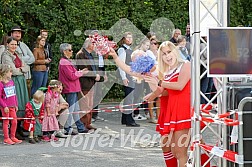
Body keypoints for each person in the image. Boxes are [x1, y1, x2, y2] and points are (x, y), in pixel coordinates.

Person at [143, 41, 191, 167]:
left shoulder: (186, 65)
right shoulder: (168, 71)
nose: (167, 56)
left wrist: (159, 83)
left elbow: (180, 86)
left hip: (183, 110)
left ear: (175, 51)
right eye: (163, 54)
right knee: (170, 148)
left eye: (169, 52)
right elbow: (166, 93)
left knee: (180, 152)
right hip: (172, 109)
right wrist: (153, 90)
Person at [1, 37, 30, 140]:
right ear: (7, 45)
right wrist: (21, 69)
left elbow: (27, 67)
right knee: (13, 103)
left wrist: (21, 69)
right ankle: (13, 130)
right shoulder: (5, 56)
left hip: (21, 80)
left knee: (22, 102)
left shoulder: (17, 54)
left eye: (16, 44)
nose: (14, 46)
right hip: (13, 81)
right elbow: (13, 70)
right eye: (12, 44)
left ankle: (19, 127)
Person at [58, 43, 90, 135]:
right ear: (64, 51)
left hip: (74, 87)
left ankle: (80, 127)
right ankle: (68, 128)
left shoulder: (66, 61)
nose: (72, 52)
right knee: (71, 109)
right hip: (70, 88)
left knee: (76, 109)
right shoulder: (64, 62)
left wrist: (80, 72)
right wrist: (82, 73)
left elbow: (73, 73)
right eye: (70, 50)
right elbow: (72, 76)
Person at [76, 38, 104, 130]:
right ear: (88, 44)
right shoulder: (81, 54)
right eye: (93, 43)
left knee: (90, 104)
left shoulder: (91, 55)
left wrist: (98, 75)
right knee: (84, 104)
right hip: (85, 83)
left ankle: (88, 123)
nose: (95, 45)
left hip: (92, 83)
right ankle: (83, 124)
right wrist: (95, 76)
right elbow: (84, 70)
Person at [117, 32, 139, 127]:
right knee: (129, 98)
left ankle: (125, 119)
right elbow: (120, 65)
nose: (130, 39)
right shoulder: (122, 49)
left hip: (131, 75)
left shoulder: (130, 49)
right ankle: (129, 119)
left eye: (131, 37)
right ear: (124, 39)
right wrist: (124, 77)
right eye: (128, 37)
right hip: (127, 75)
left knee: (130, 97)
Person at [0, 64, 22, 145]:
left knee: (15, 121)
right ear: (4, 73)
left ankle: (13, 136)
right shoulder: (1, 83)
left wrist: (16, 104)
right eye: (10, 72)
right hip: (5, 106)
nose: (11, 73)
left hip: (12, 105)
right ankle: (6, 138)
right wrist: (4, 106)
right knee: (6, 122)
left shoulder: (12, 82)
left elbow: (14, 94)